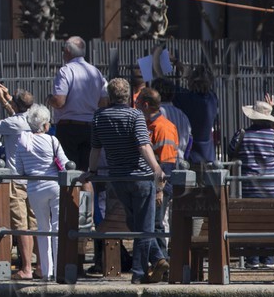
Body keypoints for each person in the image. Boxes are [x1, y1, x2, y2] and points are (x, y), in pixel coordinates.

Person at [87, 77, 169, 284]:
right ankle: (140, 273)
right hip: (140, 178)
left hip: (118, 178)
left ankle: (158, 259)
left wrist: (92, 170)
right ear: (127, 96)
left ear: (109, 96)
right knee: (145, 227)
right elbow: (143, 145)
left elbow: (96, 148)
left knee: (134, 223)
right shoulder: (135, 115)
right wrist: (156, 167)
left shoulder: (99, 117)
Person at [6, 104, 69, 282]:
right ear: (45, 125)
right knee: (57, 227)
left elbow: (19, 170)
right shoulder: (52, 141)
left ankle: (46, 272)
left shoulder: (22, 143)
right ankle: (58, 270)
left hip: (34, 188)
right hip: (54, 185)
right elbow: (64, 164)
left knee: (42, 228)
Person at [0, 84, 37, 279]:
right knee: (34, 224)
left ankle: (27, 268)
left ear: (16, 102)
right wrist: (6, 101)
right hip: (34, 178)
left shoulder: (14, 123)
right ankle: (40, 266)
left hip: (16, 180)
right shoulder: (35, 119)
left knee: (20, 225)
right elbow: (17, 116)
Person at [232, 99, 274, 270]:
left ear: (252, 117)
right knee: (269, 223)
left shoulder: (242, 134)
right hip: (272, 189)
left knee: (249, 223)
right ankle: (268, 259)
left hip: (249, 187)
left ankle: (252, 259)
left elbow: (231, 151)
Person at [50, 36, 107, 175]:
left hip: (69, 127)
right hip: (90, 127)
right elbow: (104, 102)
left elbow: (59, 101)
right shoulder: (96, 72)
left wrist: (49, 99)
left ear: (68, 50)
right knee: (86, 174)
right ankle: (88, 197)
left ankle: (70, 197)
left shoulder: (66, 71)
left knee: (68, 172)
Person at [138, 87, 179, 239]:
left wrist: (159, 190)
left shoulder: (163, 128)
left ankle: (162, 259)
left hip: (160, 184)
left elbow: (166, 164)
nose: (135, 105)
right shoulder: (149, 125)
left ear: (146, 105)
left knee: (156, 224)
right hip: (153, 183)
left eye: (137, 102)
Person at [173, 65, 220, 169]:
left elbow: (167, 87)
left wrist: (178, 66)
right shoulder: (213, 98)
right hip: (209, 154)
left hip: (191, 153)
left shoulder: (186, 98)